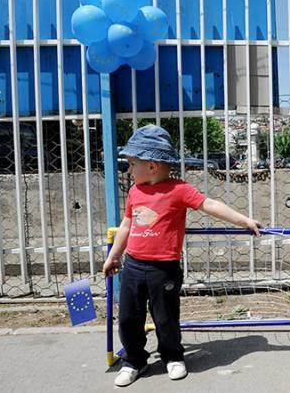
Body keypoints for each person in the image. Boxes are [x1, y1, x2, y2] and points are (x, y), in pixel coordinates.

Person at [103, 125, 261, 387]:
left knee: (165, 318)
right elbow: (126, 226)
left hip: (163, 269)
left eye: (132, 164)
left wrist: (243, 220)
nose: (129, 170)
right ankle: (133, 360)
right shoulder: (134, 192)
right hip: (133, 266)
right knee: (129, 318)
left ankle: (173, 356)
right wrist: (115, 256)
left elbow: (210, 205)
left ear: (152, 165)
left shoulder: (178, 189)